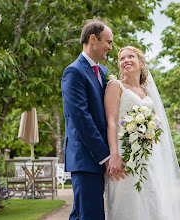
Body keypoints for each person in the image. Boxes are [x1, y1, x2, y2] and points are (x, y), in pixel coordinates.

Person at [104, 46, 180, 220]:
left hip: (146, 156)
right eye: (122, 59)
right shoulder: (116, 86)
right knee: (128, 201)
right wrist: (113, 155)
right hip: (124, 154)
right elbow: (111, 122)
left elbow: (155, 123)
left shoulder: (147, 91)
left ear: (141, 63)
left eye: (130, 57)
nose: (125, 61)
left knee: (150, 198)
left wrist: (149, 134)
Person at [61, 19, 124, 220]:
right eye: (108, 42)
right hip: (85, 159)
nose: (110, 48)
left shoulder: (103, 72)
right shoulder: (74, 71)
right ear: (93, 39)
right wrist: (105, 156)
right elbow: (81, 118)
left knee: (82, 215)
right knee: (91, 215)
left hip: (100, 158)